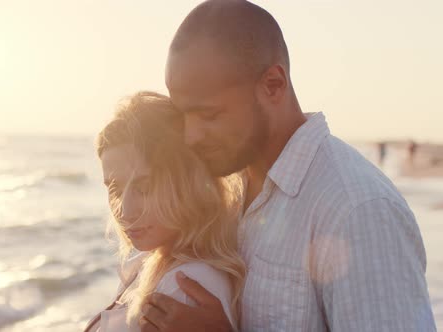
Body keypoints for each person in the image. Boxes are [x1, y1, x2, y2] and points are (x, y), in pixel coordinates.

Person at [140, 1, 436, 331]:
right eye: (182, 115)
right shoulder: (227, 188)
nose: (191, 136)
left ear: (273, 85)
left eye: (208, 115)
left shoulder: (357, 210)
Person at [84, 91, 246, 331]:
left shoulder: (184, 289)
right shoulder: (152, 264)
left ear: (188, 182)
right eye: (115, 189)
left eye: (144, 187)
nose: (126, 211)